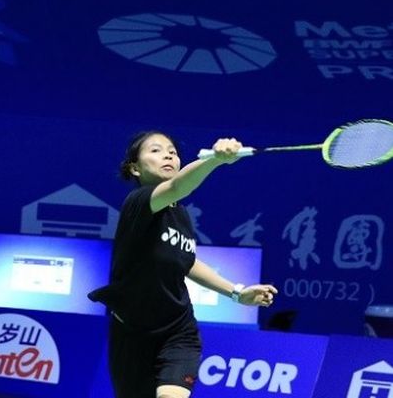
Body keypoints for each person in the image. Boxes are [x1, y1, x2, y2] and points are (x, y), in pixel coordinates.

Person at [88, 131, 278, 398]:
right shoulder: (139, 203)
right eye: (155, 150)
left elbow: (187, 261)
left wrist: (237, 292)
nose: (168, 155)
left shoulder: (180, 215)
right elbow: (178, 186)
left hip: (178, 331)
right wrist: (216, 160)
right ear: (135, 168)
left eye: (173, 152)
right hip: (130, 334)